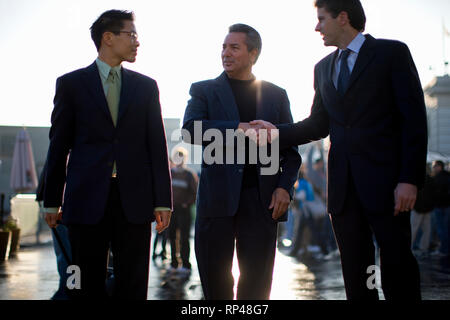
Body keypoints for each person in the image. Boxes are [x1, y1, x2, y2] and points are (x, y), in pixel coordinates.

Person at [251, 0, 427, 300]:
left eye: (321, 18)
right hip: (344, 190)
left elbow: (414, 120)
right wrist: (275, 132)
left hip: (388, 186)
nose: (317, 26)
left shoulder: (391, 54)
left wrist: (409, 179)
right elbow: (318, 125)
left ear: (342, 17)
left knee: (397, 265)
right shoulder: (322, 68)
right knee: (356, 271)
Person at [42, 10, 172, 300]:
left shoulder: (146, 87)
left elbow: (157, 146)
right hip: (85, 200)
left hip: (135, 202)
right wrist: (52, 201)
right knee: (84, 285)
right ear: (108, 38)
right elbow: (58, 145)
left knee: (133, 285)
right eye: (132, 35)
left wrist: (163, 200)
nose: (137, 42)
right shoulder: (70, 84)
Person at [182, 24, 301, 300]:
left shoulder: (276, 94)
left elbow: (291, 150)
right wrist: (239, 127)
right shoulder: (203, 90)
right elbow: (190, 130)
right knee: (215, 286)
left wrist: (285, 188)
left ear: (253, 53)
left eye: (234, 47)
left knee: (257, 287)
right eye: (224, 47)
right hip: (216, 202)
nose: (226, 53)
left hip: (262, 202)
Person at [168, 147, 198, 274]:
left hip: (184, 210)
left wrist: (187, 203)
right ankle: (174, 263)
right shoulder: (170, 173)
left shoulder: (189, 174)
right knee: (172, 236)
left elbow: (195, 192)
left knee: (184, 238)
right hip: (172, 210)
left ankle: (186, 264)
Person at [411, 171, 436, 257]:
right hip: (426, 208)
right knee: (426, 230)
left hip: (420, 208)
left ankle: (416, 248)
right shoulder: (431, 180)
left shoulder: (415, 179)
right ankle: (423, 249)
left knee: (414, 229)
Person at [431, 160, 450, 256]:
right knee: (445, 229)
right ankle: (445, 249)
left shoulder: (439, 178)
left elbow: (436, 193)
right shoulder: (447, 176)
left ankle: (444, 249)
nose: (433, 168)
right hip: (445, 206)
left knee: (442, 229)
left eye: (435, 166)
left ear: (439, 166)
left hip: (441, 206)